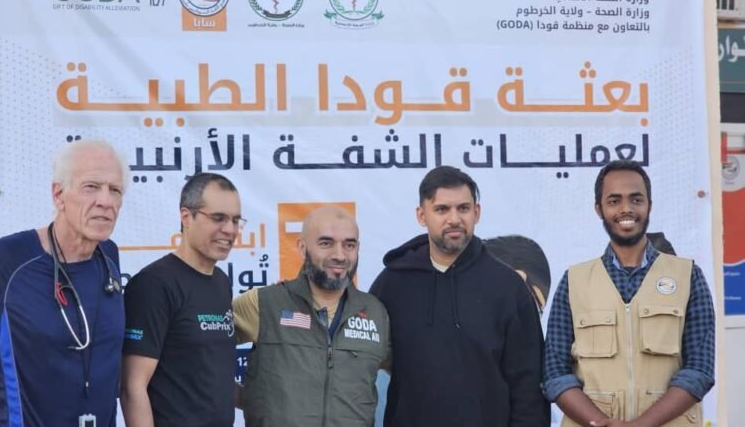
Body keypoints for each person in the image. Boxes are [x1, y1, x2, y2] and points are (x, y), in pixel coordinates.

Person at [0, 139, 128, 427]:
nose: (105, 201)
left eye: (114, 190)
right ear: (58, 194)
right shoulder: (1, 263)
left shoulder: (109, 257)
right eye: (91, 186)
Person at [369, 165, 549, 427]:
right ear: (422, 215)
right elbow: (357, 359)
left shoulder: (508, 287)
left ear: (477, 212)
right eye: (442, 209)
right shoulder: (393, 283)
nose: (454, 219)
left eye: (463, 208)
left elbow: (529, 385)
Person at [543, 160, 716, 427]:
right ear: (599, 209)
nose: (626, 208)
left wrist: (639, 425)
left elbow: (699, 371)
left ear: (649, 205)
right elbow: (555, 374)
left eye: (636, 199)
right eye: (614, 201)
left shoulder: (688, 276)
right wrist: (600, 422)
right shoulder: (574, 281)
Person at [233, 206, 390, 427]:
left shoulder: (376, 312)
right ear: (302, 247)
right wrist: (250, 400)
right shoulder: (264, 303)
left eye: (349, 245)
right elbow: (196, 352)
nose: (339, 255)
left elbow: (412, 375)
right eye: (326, 243)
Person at [121, 173, 241, 427]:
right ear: (186, 217)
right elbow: (132, 386)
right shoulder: (153, 285)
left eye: (235, 220)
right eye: (218, 218)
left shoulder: (221, 282)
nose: (230, 229)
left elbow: (211, 376)